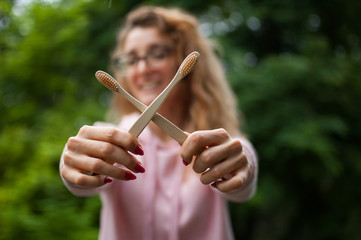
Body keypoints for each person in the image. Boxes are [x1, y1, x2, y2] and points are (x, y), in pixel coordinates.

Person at [60, 5, 258, 240]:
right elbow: (84, 181)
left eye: (157, 54)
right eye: (131, 60)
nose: (142, 69)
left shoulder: (215, 143)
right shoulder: (110, 142)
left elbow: (242, 172)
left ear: (183, 61)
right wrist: (72, 166)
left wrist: (242, 165)